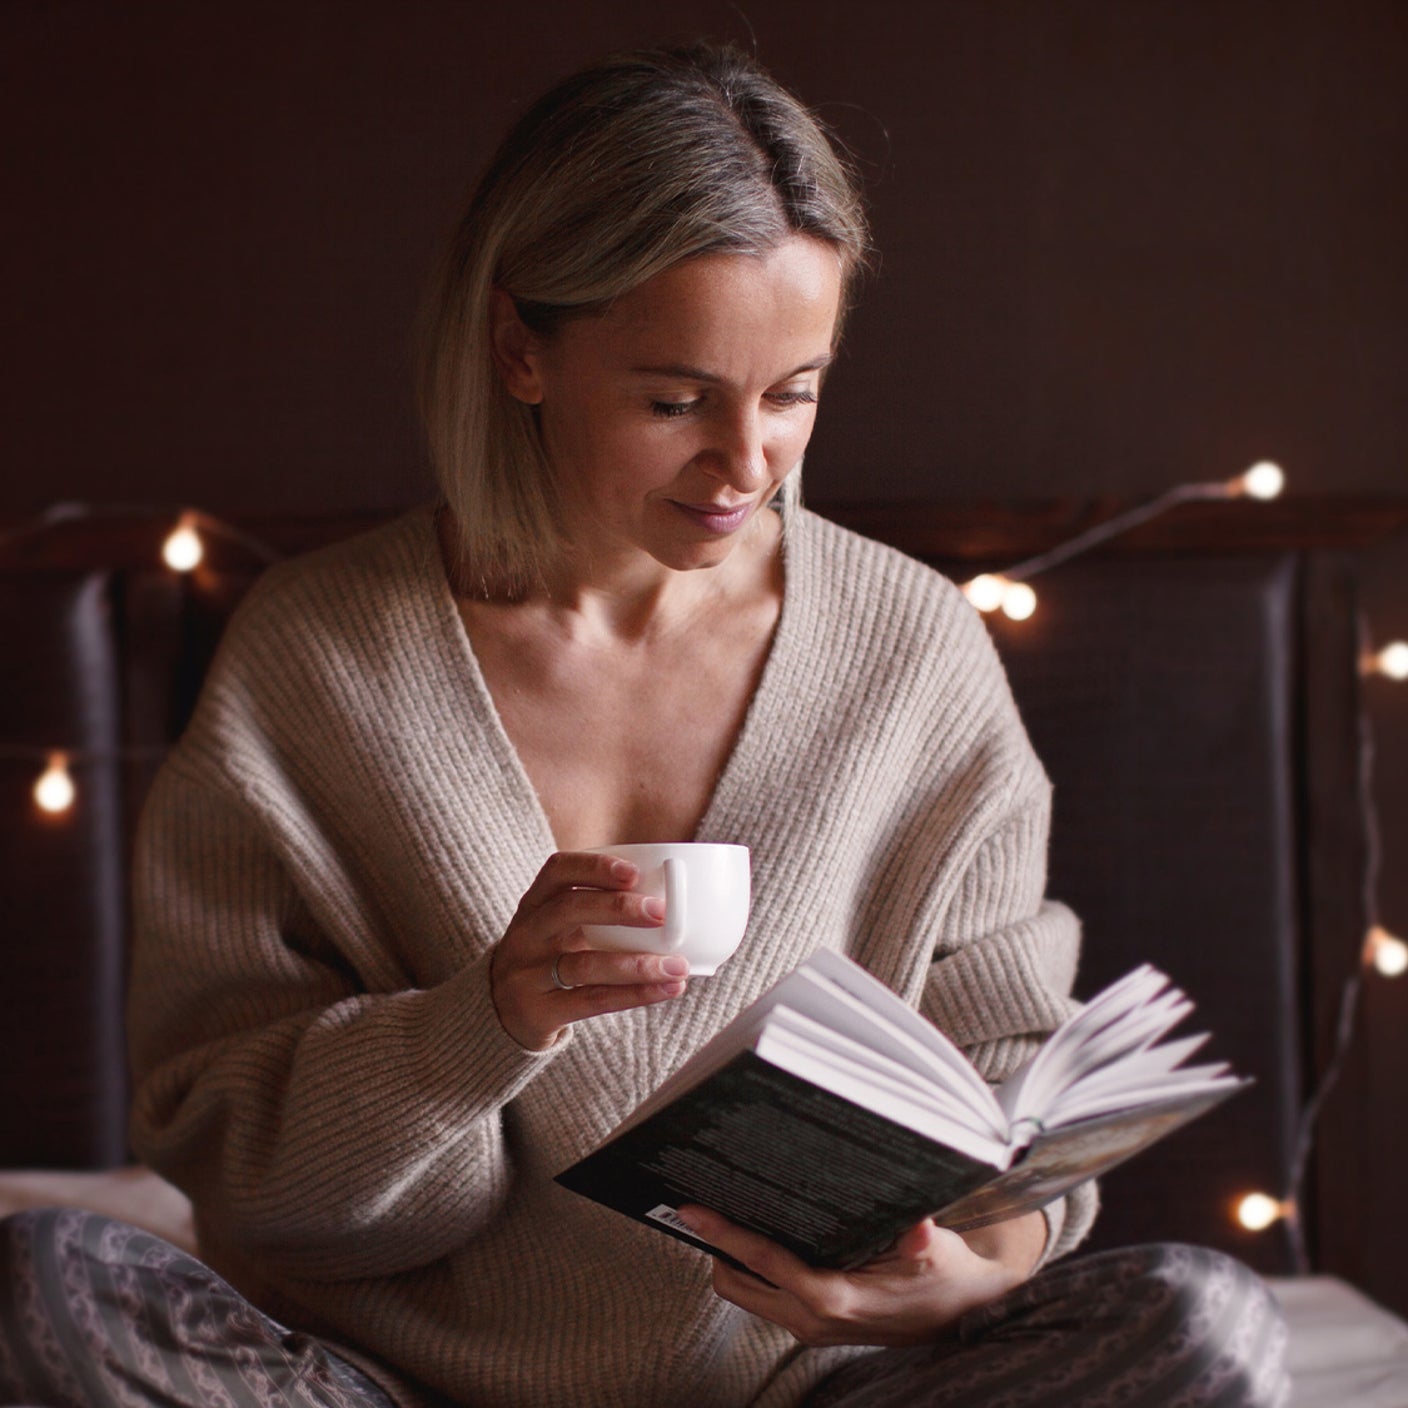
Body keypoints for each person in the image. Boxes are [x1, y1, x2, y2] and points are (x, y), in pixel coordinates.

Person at [0, 42, 1288, 1408]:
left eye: (793, 392)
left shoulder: (911, 649)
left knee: (1208, 1325)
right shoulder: (317, 658)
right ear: (520, 350)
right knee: (46, 1286)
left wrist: (967, 1272)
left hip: (804, 1388)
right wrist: (480, 1025)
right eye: (677, 401)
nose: (746, 467)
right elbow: (240, 1159)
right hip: (396, 1388)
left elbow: (1008, 1074)